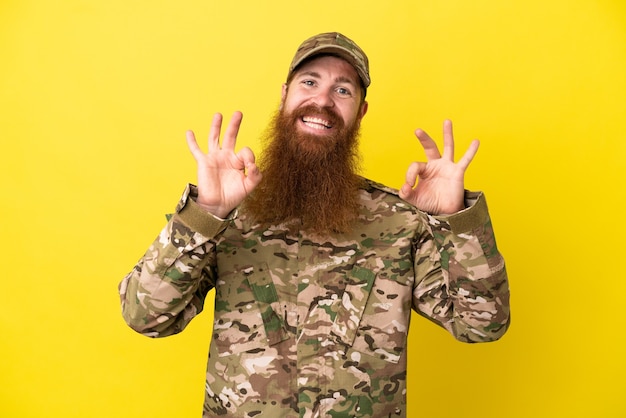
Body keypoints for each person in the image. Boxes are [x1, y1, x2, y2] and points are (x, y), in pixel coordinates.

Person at [119, 32, 510, 418]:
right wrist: (206, 213)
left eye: (343, 91)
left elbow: (483, 325)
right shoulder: (229, 211)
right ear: (285, 94)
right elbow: (145, 315)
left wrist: (456, 221)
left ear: (361, 111)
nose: (322, 100)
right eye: (309, 83)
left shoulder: (399, 219)